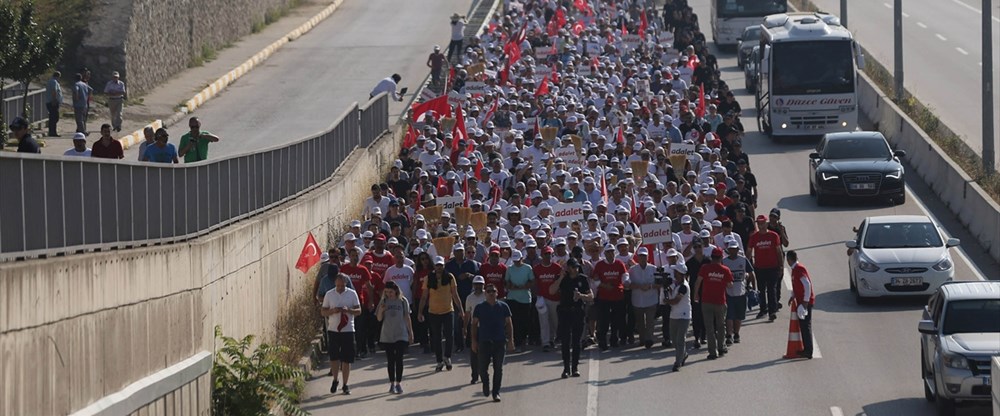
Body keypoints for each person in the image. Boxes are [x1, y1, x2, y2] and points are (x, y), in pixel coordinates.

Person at [418, 256, 465, 372]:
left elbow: (455, 295)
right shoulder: (428, 278)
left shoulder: (449, 277)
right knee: (436, 337)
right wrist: (420, 312)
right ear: (434, 266)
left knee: (449, 335)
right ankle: (439, 361)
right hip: (433, 312)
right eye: (437, 265)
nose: (439, 267)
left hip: (448, 310)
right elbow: (424, 297)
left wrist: (461, 310)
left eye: (441, 265)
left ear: (444, 266)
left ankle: (447, 357)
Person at [471, 283, 514, 403]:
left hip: (499, 341)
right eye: (488, 291)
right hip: (484, 341)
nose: (491, 293)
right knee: (482, 368)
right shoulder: (479, 307)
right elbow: (474, 325)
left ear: (497, 293)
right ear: (485, 294)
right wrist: (473, 341)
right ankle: (485, 383)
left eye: (493, 291)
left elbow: (509, 324)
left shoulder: (503, 306)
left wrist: (511, 340)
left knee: (498, 368)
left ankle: (496, 392)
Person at [321, 273, 362, 395]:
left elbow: (359, 310)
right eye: (338, 285)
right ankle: (335, 379)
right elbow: (323, 311)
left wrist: (348, 310)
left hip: (348, 330)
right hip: (333, 329)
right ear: (335, 284)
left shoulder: (352, 293)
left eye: (342, 286)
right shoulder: (329, 294)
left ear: (346, 284)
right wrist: (332, 311)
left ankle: (345, 384)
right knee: (334, 357)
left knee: (346, 359)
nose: (340, 288)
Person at [552, 258, 592, 378]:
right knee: (565, 342)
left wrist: (581, 296)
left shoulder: (583, 279)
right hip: (565, 313)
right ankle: (566, 368)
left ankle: (575, 368)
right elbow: (551, 290)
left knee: (576, 342)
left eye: (577, 267)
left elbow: (591, 296)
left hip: (578, 312)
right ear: (568, 268)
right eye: (573, 267)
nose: (576, 269)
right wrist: (560, 277)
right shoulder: (563, 279)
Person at [693, 247, 733, 359]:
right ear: (721, 258)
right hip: (720, 301)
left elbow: (698, 282)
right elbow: (730, 285)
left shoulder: (705, 268)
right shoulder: (725, 270)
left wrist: (696, 294)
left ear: (711, 257)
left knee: (709, 328)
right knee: (721, 326)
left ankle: (712, 352)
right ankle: (721, 347)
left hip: (706, 301)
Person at [376, 281, 414, 394]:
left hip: (401, 333)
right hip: (387, 334)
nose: (389, 294)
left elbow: (407, 317)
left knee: (399, 359)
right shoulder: (383, 301)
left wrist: (410, 332)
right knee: (390, 360)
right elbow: (379, 318)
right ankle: (392, 383)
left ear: (396, 291)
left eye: (391, 292)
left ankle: (398, 383)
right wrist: (381, 310)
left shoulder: (403, 301)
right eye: (387, 292)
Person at [593, 244, 629, 351]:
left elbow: (625, 275)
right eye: (608, 252)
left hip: (618, 296)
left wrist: (626, 282)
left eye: (612, 251)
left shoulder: (619, 263)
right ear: (604, 253)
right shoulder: (599, 265)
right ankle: (602, 341)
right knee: (603, 321)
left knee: (616, 320)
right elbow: (595, 280)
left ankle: (614, 339)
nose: (610, 254)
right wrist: (605, 286)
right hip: (604, 297)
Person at [747, 214, 782, 321]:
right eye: (759, 223)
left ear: (766, 224)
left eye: (762, 223)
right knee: (761, 290)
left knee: (771, 289)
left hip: (773, 267)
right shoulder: (754, 237)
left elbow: (778, 251)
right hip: (759, 268)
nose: (761, 226)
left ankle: (772, 311)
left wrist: (781, 266)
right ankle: (762, 310)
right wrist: (747, 267)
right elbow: (749, 251)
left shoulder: (774, 235)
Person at [721, 241, 755, 346]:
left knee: (739, 316)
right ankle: (729, 335)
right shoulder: (724, 261)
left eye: (734, 249)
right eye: (731, 249)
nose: (733, 251)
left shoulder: (743, 260)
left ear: (737, 249)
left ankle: (736, 333)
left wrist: (754, 288)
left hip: (741, 292)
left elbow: (751, 274)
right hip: (728, 293)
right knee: (729, 315)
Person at [628, 247, 660, 349]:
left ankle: (649, 339)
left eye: (644, 256)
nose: (642, 258)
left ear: (648, 257)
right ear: (637, 257)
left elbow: (660, 284)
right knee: (640, 322)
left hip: (651, 299)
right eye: (641, 256)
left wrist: (650, 286)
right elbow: (628, 285)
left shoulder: (654, 269)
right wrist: (639, 286)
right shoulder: (632, 270)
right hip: (637, 300)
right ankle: (642, 339)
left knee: (650, 321)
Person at [533, 246, 563, 352]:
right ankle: (545, 342)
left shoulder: (557, 267)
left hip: (555, 298)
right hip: (542, 298)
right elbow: (535, 283)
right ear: (542, 255)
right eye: (545, 254)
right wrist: (536, 296)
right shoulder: (536, 268)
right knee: (544, 321)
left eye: (549, 254)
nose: (547, 256)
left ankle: (552, 338)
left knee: (555, 321)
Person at [503, 250, 534, 351]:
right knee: (514, 321)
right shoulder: (509, 269)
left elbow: (532, 281)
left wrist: (524, 286)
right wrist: (511, 286)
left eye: (518, 260)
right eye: (514, 260)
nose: (516, 262)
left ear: (521, 259)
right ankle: (515, 341)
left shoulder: (528, 268)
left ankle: (523, 340)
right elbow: (506, 282)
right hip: (512, 298)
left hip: (525, 298)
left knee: (524, 321)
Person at [787, 250, 815, 359]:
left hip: (805, 302)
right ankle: (806, 349)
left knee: (805, 326)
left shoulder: (799, 269)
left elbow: (807, 285)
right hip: (801, 301)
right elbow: (797, 285)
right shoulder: (795, 269)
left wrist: (805, 302)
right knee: (803, 326)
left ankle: (808, 351)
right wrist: (793, 296)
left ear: (789, 260)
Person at [664, 263, 691, 371]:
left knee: (680, 340)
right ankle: (683, 354)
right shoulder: (675, 284)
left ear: (681, 274)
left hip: (684, 316)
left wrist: (667, 301)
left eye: (676, 272)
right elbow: (670, 292)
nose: (674, 274)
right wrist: (666, 287)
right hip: (674, 315)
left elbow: (676, 300)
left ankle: (678, 362)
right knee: (674, 340)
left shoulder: (684, 286)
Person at [464, 275, 487, 384]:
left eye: (480, 284)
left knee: (485, 353)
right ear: (473, 285)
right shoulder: (469, 298)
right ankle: (474, 376)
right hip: (474, 327)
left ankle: (483, 374)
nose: (478, 286)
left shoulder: (487, 296)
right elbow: (467, 314)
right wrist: (465, 327)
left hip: (486, 328)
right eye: (476, 284)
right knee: (474, 353)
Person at [45, 71, 63, 137]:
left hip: (51, 101)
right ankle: (52, 132)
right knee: (54, 117)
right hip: (52, 102)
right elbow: (54, 91)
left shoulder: (52, 81)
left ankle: (52, 131)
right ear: (58, 76)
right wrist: (54, 100)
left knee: (53, 117)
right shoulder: (54, 82)